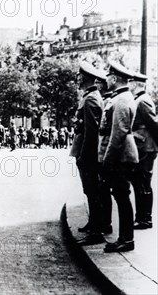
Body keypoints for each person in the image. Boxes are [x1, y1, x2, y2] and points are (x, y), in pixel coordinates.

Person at [99, 61, 139, 253]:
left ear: (114, 79)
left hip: (121, 156)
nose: (106, 80)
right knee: (121, 196)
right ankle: (124, 237)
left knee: (122, 197)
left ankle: (127, 239)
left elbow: (118, 133)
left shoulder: (121, 100)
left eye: (108, 76)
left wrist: (107, 161)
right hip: (122, 154)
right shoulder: (121, 97)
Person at [70, 61, 108, 245]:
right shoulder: (90, 96)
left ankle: (96, 232)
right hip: (87, 152)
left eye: (78, 76)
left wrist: (84, 156)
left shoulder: (91, 98)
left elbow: (91, 132)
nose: (76, 78)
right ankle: (94, 224)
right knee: (90, 191)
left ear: (83, 77)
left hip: (89, 154)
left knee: (92, 191)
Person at [130, 72, 158, 230]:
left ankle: (145, 218)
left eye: (131, 83)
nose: (129, 86)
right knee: (140, 182)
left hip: (146, 147)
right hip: (142, 146)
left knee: (143, 183)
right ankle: (141, 217)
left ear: (135, 84)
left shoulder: (142, 101)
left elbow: (153, 124)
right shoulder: (139, 99)